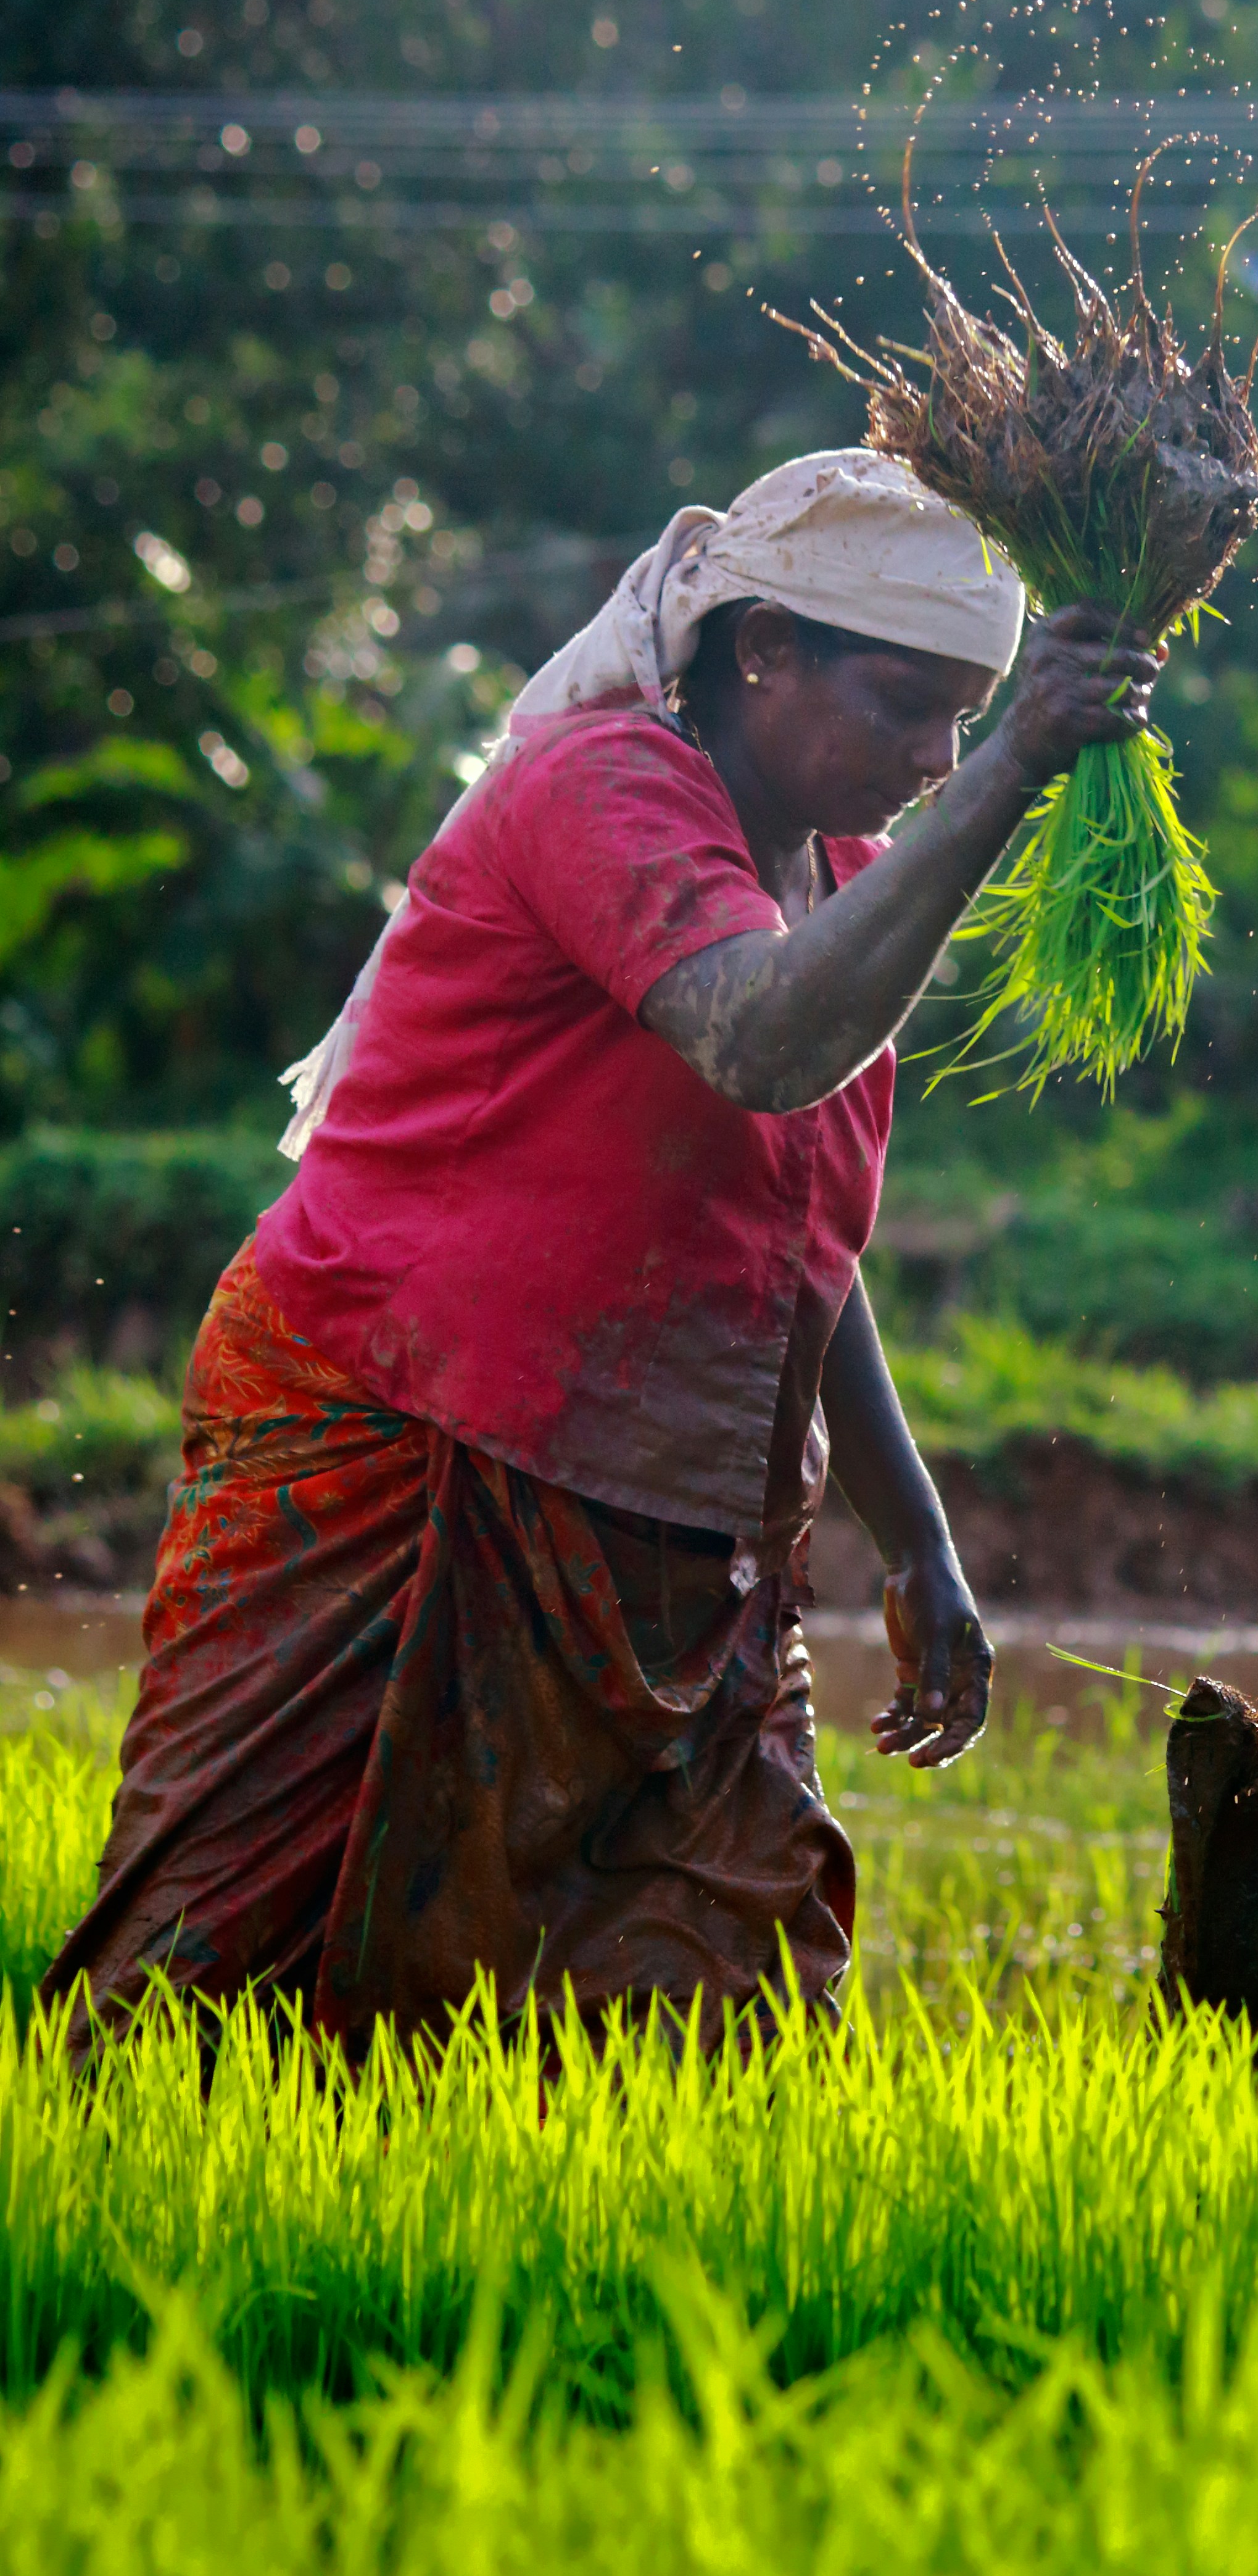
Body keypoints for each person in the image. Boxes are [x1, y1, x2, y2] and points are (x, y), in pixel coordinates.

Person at [45, 449, 1161, 2056]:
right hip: (399, 1424)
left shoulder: (838, 876)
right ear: (760, 649)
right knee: (221, 1968)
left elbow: (795, 1241)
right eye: (904, 704)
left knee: (722, 1981)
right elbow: (765, 1044)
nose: (932, 758)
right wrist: (1019, 768)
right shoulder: (601, 789)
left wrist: (913, 1535)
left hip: (677, 1507)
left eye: (964, 720)